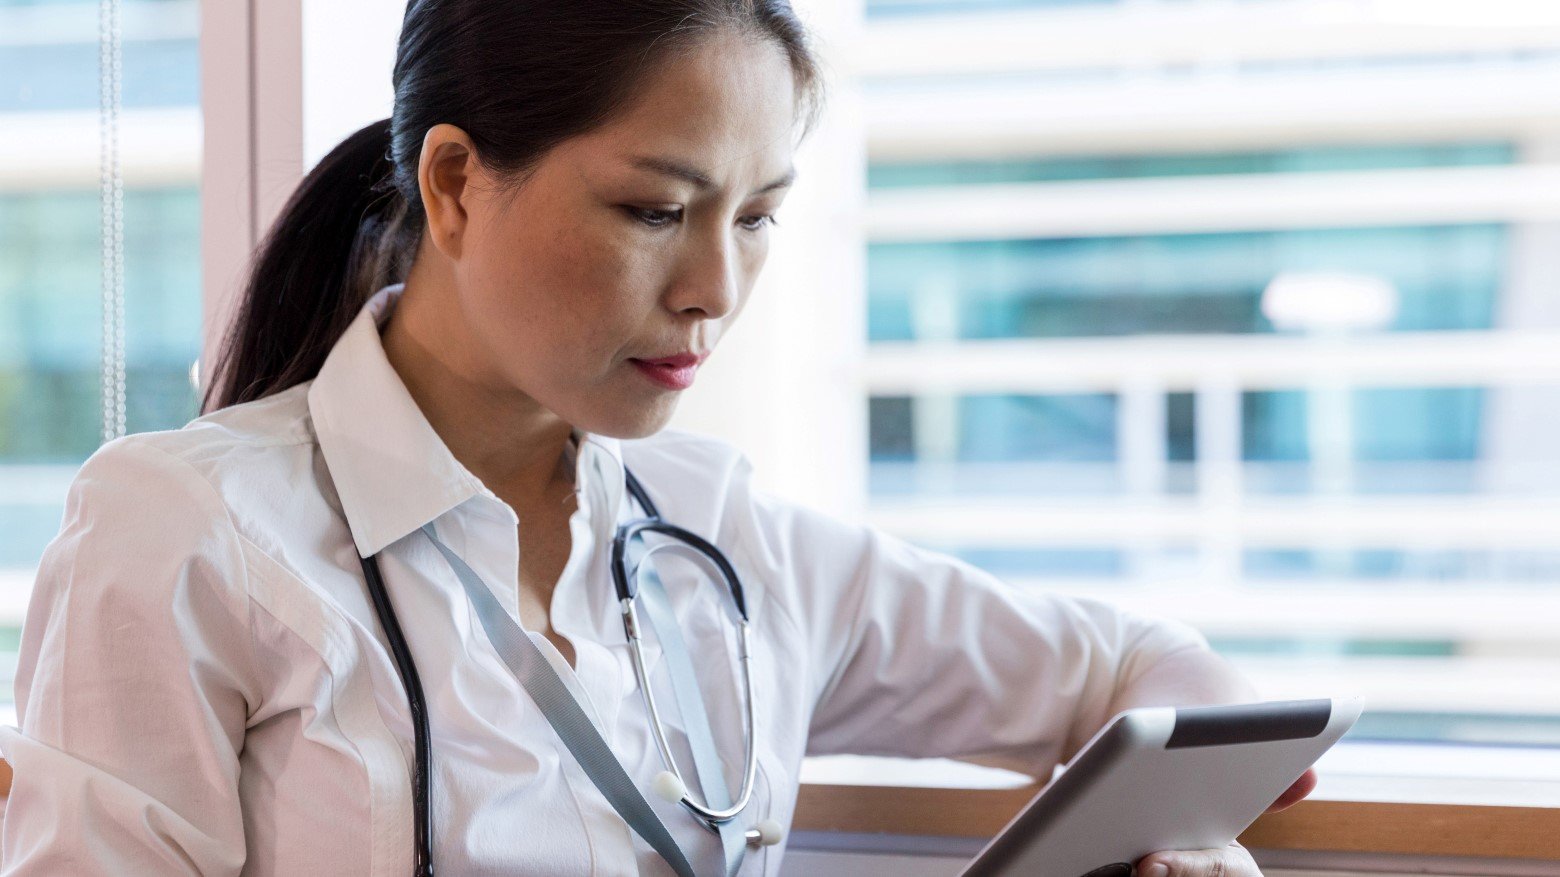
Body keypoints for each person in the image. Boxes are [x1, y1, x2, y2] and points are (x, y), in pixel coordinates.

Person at [0, 1, 1315, 875]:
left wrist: (1179, 830)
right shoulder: (187, 532)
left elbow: (1145, 673)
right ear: (457, 183)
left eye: (754, 218)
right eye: (653, 209)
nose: (713, 288)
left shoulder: (725, 540)